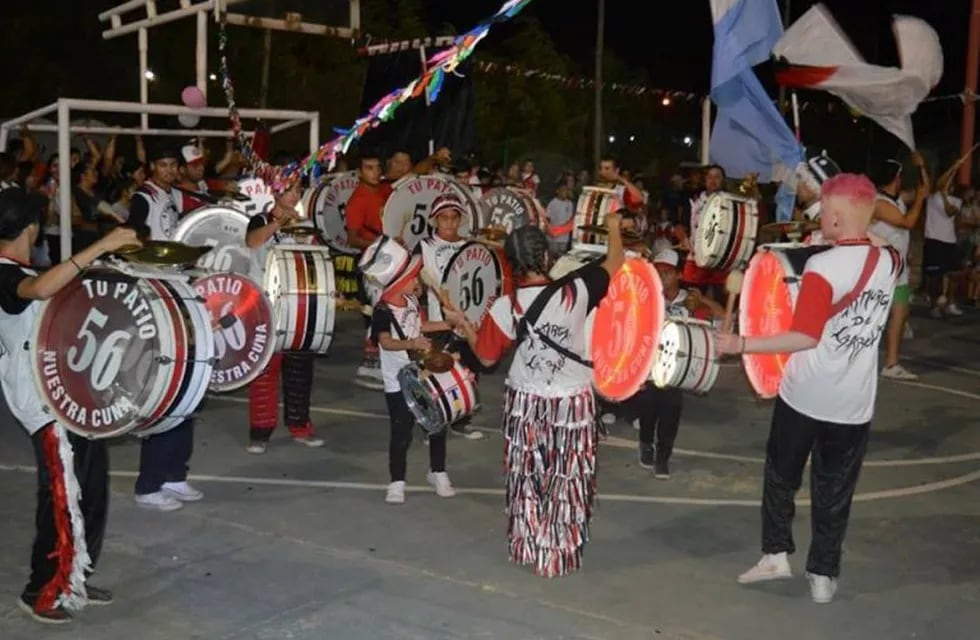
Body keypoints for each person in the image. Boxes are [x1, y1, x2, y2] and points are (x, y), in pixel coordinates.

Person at [715, 173, 902, 604]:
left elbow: (805, 337)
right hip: (854, 403)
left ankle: (776, 555)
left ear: (835, 216)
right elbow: (867, 234)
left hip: (805, 395)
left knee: (781, 477)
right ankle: (823, 575)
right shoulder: (891, 261)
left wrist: (740, 343)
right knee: (834, 490)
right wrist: (837, 217)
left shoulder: (822, 267)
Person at [0, 189, 140, 623]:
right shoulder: (5, 275)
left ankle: (73, 576)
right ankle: (41, 590)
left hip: (66, 396)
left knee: (89, 490)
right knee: (61, 497)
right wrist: (101, 245)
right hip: (42, 403)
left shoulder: (21, 268)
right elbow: (39, 290)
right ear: (32, 228)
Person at [459, 215, 625, 578]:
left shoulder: (505, 306)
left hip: (525, 399)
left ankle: (526, 544)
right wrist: (613, 228)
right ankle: (556, 555)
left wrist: (472, 333)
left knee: (526, 474)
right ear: (548, 258)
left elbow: (486, 358)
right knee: (567, 477)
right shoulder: (578, 290)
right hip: (572, 399)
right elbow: (616, 262)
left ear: (511, 264)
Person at [362, 236, 467, 504]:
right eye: (413, 277)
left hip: (422, 373)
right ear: (398, 282)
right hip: (398, 381)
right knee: (402, 430)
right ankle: (397, 481)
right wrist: (411, 343)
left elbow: (421, 325)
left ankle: (438, 471)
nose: (417, 282)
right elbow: (385, 341)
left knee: (437, 422)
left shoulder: (409, 300)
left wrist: (449, 325)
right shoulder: (383, 311)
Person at [127, 144, 203, 511]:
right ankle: (149, 484)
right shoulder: (143, 198)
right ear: (151, 166)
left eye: (175, 164)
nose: (170, 170)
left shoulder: (175, 195)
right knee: (164, 392)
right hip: (157, 296)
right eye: (164, 164)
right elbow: (134, 240)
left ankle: (175, 475)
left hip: (178, 290)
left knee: (187, 390)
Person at [244, 178, 325, 454]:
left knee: (300, 371)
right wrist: (281, 223)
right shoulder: (259, 219)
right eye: (289, 190)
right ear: (275, 192)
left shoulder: (305, 225)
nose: (294, 195)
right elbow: (254, 242)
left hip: (298, 307)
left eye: (298, 191)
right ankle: (260, 431)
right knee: (264, 371)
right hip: (266, 305)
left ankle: (300, 425)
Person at [625, 248, 723, 478]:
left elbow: (720, 317)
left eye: (667, 272)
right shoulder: (647, 295)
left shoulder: (690, 298)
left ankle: (663, 457)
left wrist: (704, 300)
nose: (661, 276)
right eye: (657, 271)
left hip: (677, 366)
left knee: (671, 408)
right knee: (648, 405)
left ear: (678, 274)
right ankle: (646, 443)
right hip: (651, 363)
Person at [416, 193, 483, 440]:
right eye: (444, 218)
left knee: (467, 369)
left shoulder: (470, 245)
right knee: (437, 369)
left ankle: (462, 419)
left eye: (454, 218)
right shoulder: (425, 246)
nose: (450, 223)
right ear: (435, 220)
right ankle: (431, 422)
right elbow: (424, 278)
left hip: (469, 318)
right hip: (440, 319)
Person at [867, 153, 929, 381]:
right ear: (897, 177)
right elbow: (908, 222)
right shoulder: (879, 203)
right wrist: (920, 199)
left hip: (898, 268)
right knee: (872, 315)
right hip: (880, 268)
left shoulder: (898, 198)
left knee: (900, 314)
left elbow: (926, 190)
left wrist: (922, 168)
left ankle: (891, 363)